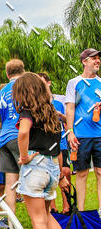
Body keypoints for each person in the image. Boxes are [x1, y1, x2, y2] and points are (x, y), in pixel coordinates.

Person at [13, 72, 83, 229]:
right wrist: (60, 174)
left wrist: (23, 156)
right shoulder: (51, 112)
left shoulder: (27, 112)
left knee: (38, 221)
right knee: (47, 215)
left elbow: (23, 133)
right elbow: (57, 145)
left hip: (35, 167)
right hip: (52, 166)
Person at [65, 48, 101, 214]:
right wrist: (70, 132)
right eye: (94, 58)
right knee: (81, 173)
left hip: (99, 135)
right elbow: (70, 108)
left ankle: (100, 211)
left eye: (98, 58)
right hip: (80, 136)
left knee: (100, 172)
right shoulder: (74, 83)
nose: (98, 61)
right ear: (84, 61)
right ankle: (81, 213)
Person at [0, 59, 25, 217]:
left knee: (10, 185)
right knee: (30, 179)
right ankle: (39, 220)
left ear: (7, 74)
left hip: (4, 139)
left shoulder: (0, 94)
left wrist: (7, 122)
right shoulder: (26, 85)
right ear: (23, 71)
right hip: (21, 136)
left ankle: (12, 223)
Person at [39, 72, 70, 214]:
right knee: (48, 173)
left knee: (65, 171)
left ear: (48, 83)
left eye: (42, 82)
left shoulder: (59, 101)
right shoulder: (37, 102)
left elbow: (68, 121)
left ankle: (67, 204)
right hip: (46, 143)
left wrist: (60, 115)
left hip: (60, 141)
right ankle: (52, 207)